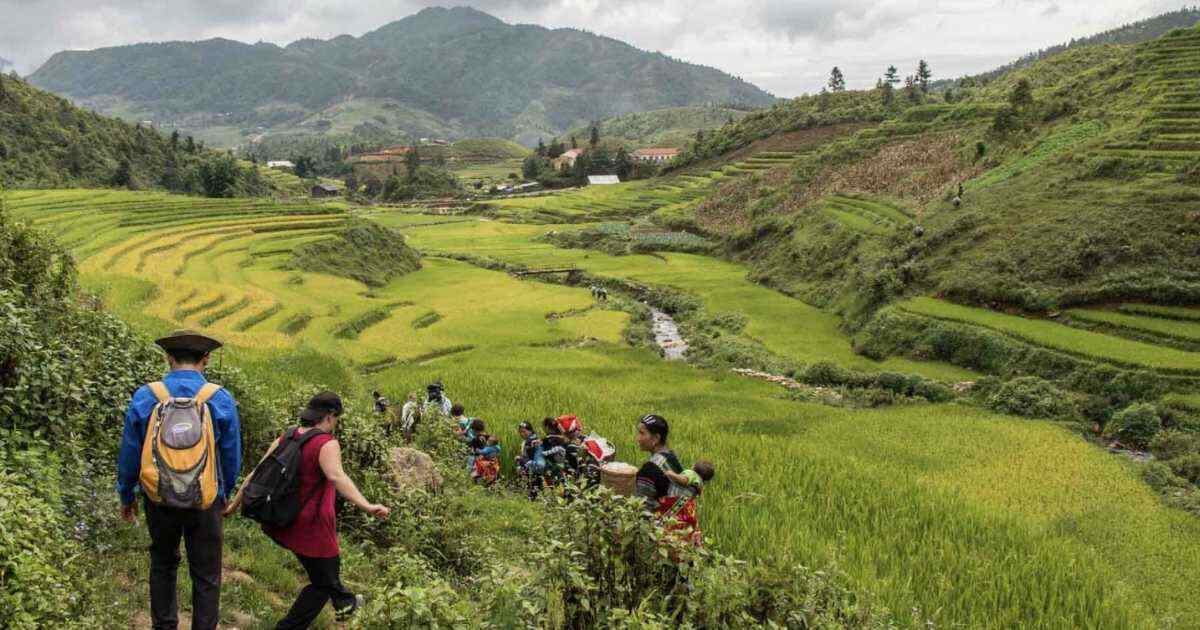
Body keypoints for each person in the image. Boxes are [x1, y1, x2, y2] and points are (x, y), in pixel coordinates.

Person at [225, 392, 390, 629]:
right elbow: (336, 476)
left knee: (324, 577)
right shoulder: (326, 443)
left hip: (284, 520)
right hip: (313, 528)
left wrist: (233, 506)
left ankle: (346, 604)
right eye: (336, 418)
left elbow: (257, 472)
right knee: (324, 581)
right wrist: (367, 505)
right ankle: (300, 622)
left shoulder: (288, 436)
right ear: (330, 416)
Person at [117, 330, 241, 630]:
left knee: (162, 562)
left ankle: (164, 626)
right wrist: (224, 493)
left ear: (168, 358)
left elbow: (131, 451)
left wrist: (127, 494)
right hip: (206, 498)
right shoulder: (219, 398)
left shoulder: (147, 395)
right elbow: (231, 454)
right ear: (206, 359)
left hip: (158, 495)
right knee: (207, 573)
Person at [633, 414, 702, 545]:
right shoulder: (671, 457)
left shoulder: (648, 470)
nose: (638, 438)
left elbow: (642, 510)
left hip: (664, 539)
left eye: (642, 433)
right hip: (684, 531)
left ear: (656, 438)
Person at [515, 421, 546, 499]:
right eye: (520, 432)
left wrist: (521, 459)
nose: (522, 434)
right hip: (531, 467)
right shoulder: (530, 440)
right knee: (535, 486)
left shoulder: (532, 441)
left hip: (534, 467)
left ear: (530, 430)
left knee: (534, 485)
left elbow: (530, 456)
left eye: (524, 431)